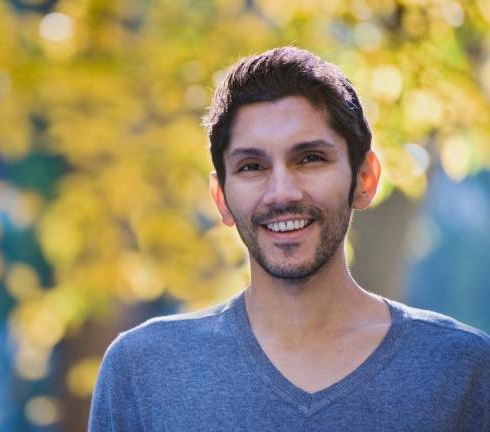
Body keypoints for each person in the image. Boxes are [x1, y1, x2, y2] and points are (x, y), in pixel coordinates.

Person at [88, 47, 490, 431]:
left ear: (364, 179)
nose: (282, 193)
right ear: (221, 198)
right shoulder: (143, 370)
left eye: (310, 158)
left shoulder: (461, 369)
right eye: (252, 166)